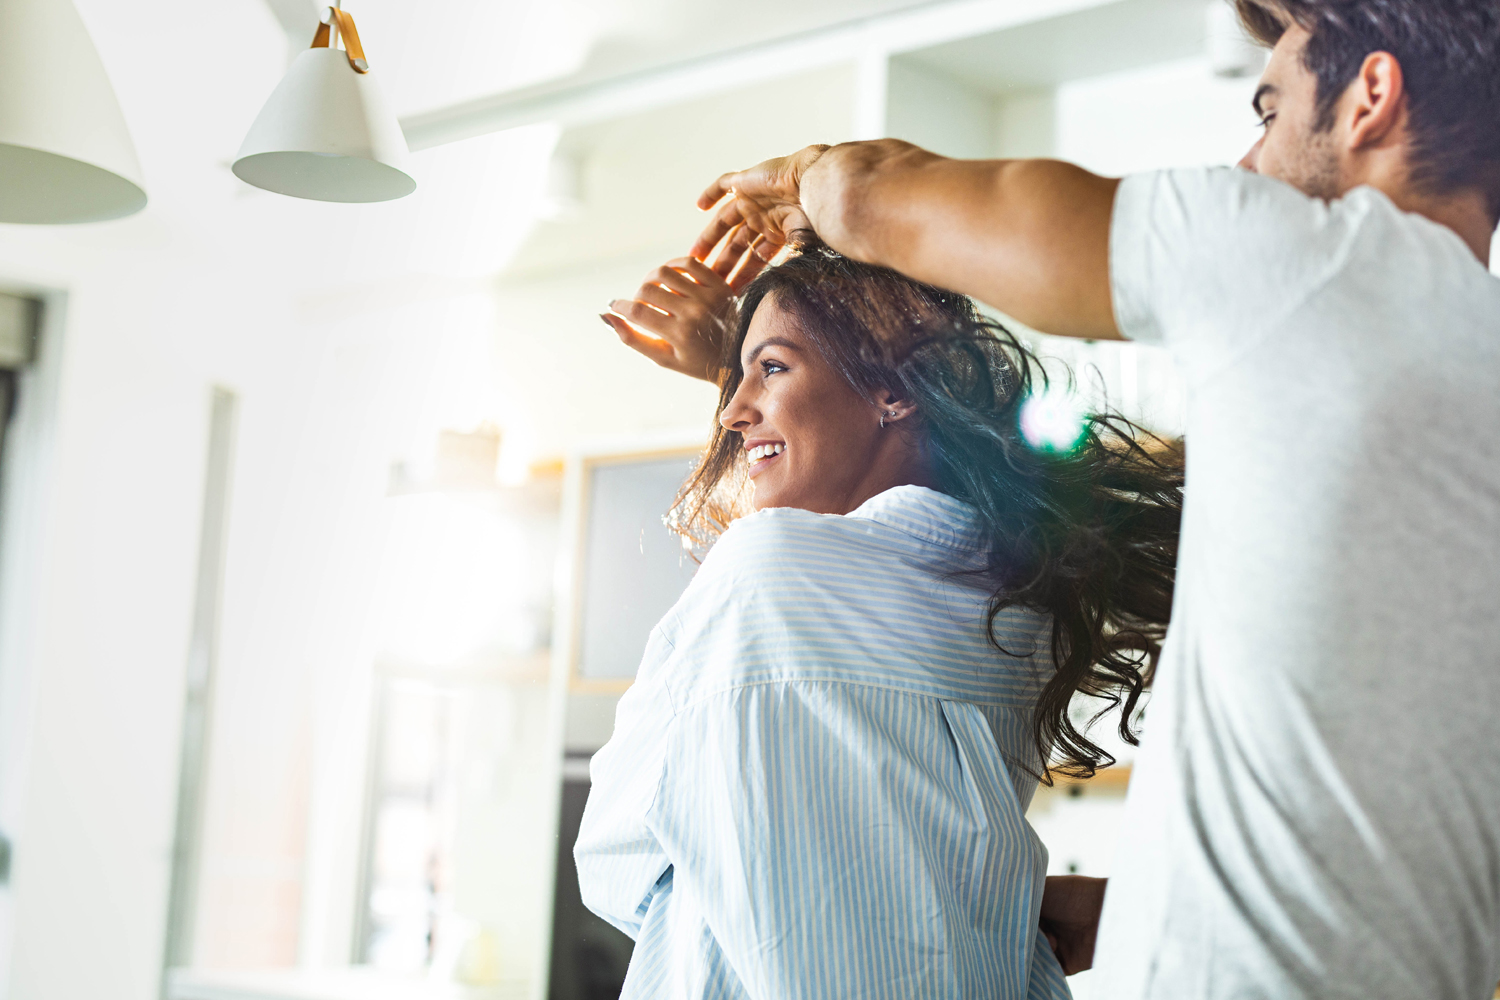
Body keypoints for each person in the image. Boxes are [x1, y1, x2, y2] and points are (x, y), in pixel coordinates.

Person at [614, 0, 1500, 997]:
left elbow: (894, 198)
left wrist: (809, 178)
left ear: (1371, 100)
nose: (1247, 168)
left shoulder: (1305, 263)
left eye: (1268, 111)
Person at [577, 240, 1183, 999]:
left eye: (770, 368)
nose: (731, 410)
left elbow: (615, 860)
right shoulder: (1024, 601)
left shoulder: (767, 568)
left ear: (897, 390)